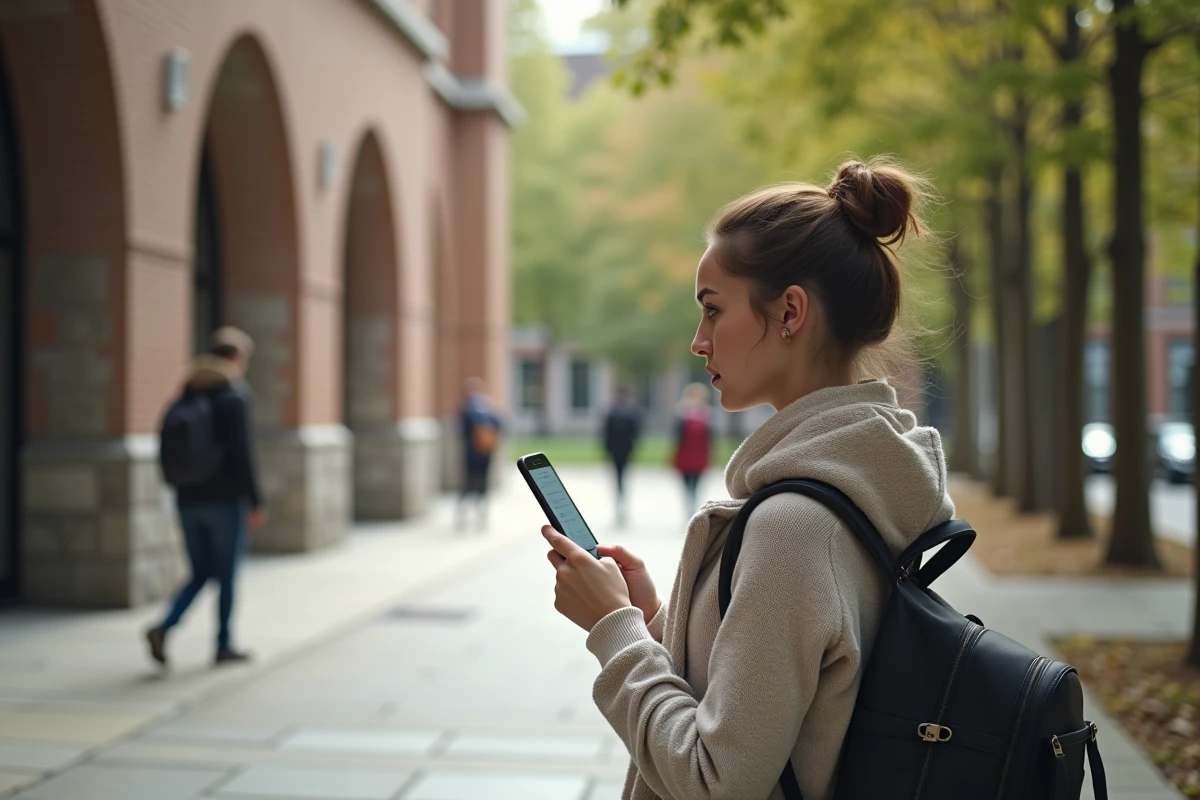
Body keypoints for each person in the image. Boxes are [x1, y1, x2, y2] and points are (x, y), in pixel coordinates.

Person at [538, 159, 955, 799]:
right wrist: (651, 616)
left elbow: (716, 781)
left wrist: (614, 631)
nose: (698, 341)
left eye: (712, 310)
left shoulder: (794, 527)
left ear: (790, 312)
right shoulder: (867, 482)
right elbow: (774, 705)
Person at [146, 327, 267, 668]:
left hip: (188, 499)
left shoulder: (187, 392)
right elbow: (243, 453)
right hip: (225, 500)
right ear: (237, 358)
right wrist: (256, 500)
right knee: (225, 574)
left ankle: (165, 626)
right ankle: (223, 643)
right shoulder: (234, 394)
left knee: (200, 571)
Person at [457, 377, 502, 531]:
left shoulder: (467, 407)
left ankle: (463, 517)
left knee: (468, 484)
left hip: (471, 454)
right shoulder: (489, 407)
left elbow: (462, 430)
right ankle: (481, 517)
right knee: (483, 485)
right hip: (485, 452)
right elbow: (499, 424)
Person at [671, 382, 712, 518]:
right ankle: (691, 504)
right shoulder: (702, 414)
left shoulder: (702, 414)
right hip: (691, 454)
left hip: (694, 454)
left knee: (693, 484)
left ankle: (691, 505)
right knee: (690, 484)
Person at [602, 385, 642, 526]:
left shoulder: (627, 412)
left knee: (621, 477)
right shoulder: (616, 412)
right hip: (618, 450)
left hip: (623, 450)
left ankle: (621, 501)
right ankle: (620, 502)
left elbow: (636, 432)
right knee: (618, 477)